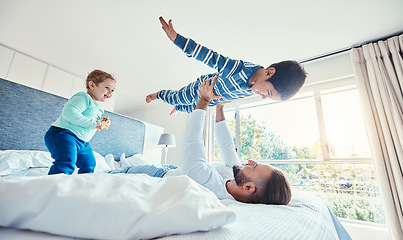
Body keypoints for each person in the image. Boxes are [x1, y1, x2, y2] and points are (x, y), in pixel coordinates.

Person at [116, 76, 291, 205]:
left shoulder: (209, 185)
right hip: (172, 170)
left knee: (119, 173)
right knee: (125, 166)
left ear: (249, 188)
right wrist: (220, 107)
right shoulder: (237, 177)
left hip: (157, 175)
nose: (250, 161)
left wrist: (204, 99)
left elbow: (193, 140)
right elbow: (226, 145)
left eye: (254, 166)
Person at [146, 16, 307, 115]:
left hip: (210, 100)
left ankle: (179, 108)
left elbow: (233, 94)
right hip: (200, 89)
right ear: (269, 73)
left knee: (190, 109)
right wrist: (178, 40)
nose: (263, 96)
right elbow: (210, 57)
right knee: (178, 97)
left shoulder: (255, 88)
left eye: (268, 97)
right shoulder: (240, 69)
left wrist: (219, 102)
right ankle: (159, 94)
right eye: (268, 92)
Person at [45, 69, 116, 175]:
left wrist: (102, 122)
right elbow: (69, 113)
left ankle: (81, 186)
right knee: (66, 162)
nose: (110, 93)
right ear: (92, 85)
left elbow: (89, 122)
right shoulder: (83, 97)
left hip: (82, 142)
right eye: (107, 88)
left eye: (113, 90)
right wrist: (94, 123)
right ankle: (54, 186)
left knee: (89, 165)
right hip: (63, 134)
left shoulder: (99, 108)